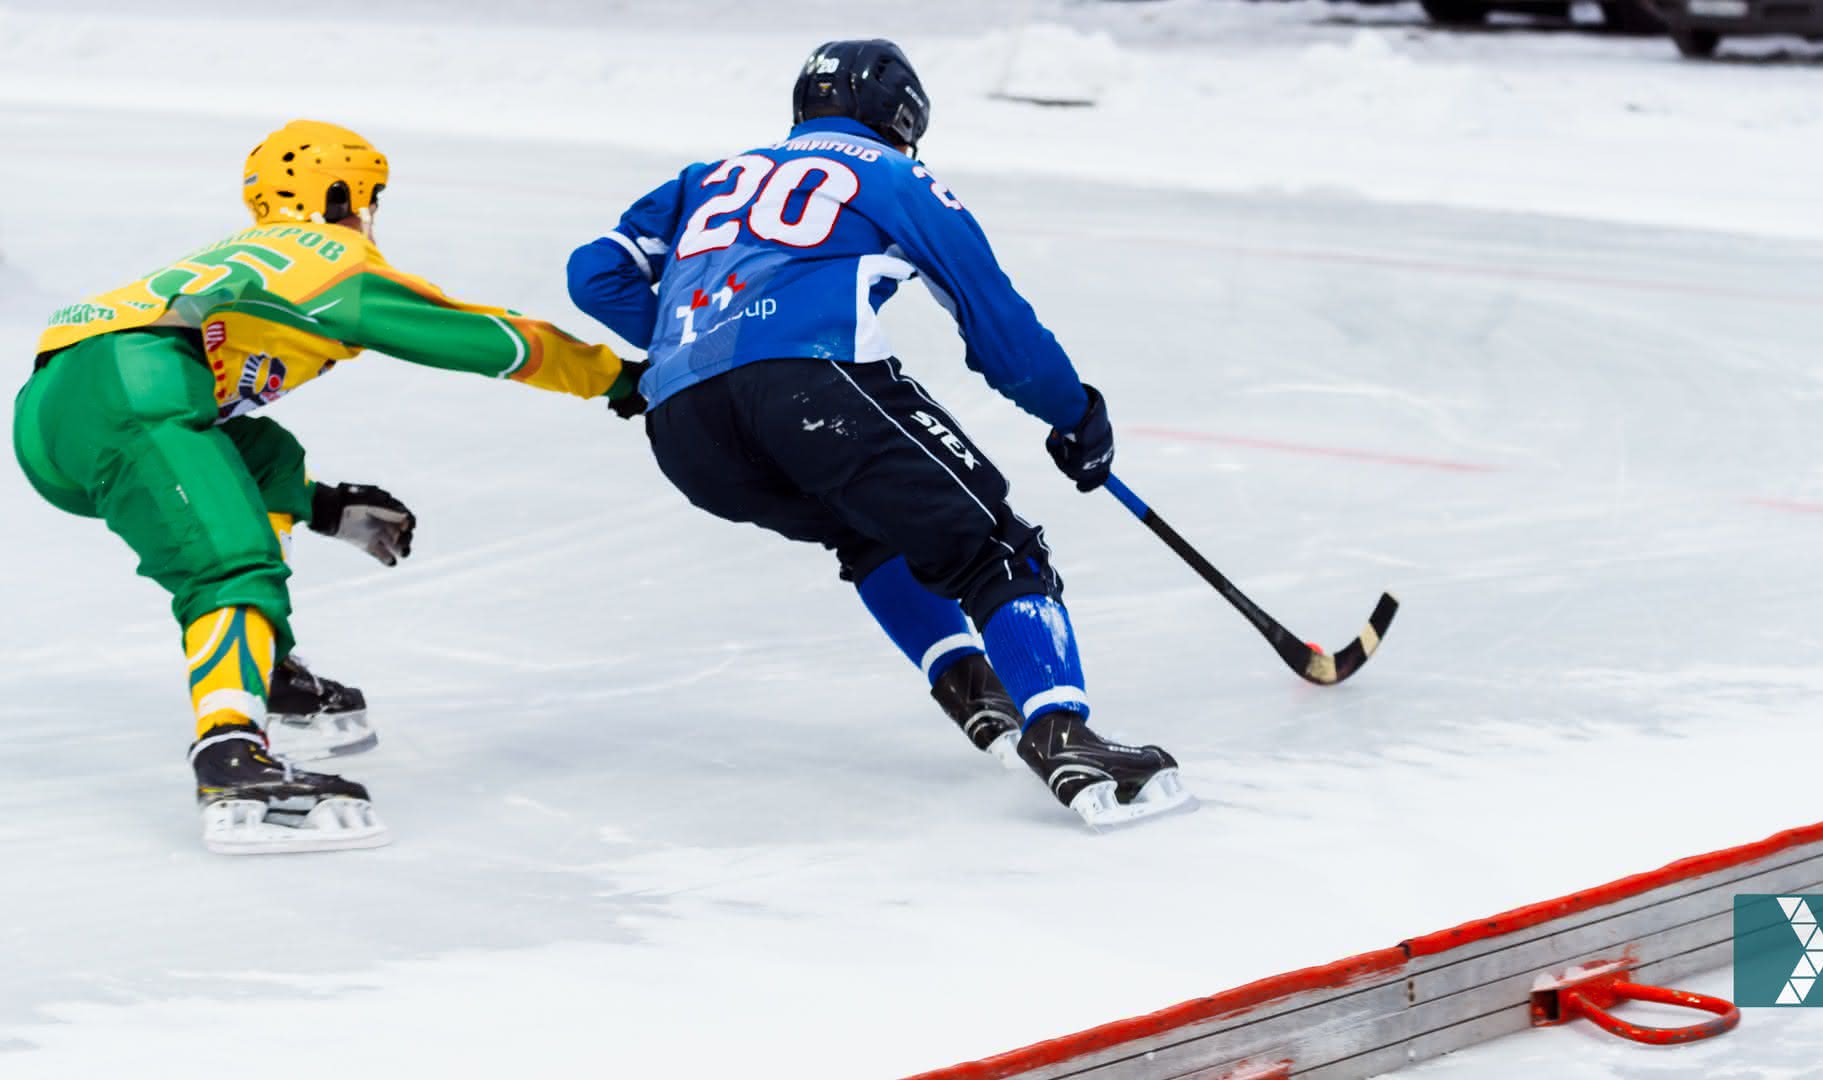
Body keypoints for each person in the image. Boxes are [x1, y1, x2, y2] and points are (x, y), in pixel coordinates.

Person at [569, 40, 1188, 826]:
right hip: (810, 387)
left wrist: (689, 343)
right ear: (903, 120)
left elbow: (594, 273)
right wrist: (1076, 416)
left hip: (685, 430)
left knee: (872, 535)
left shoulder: (710, 176)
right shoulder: (896, 176)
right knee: (997, 549)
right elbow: (1000, 332)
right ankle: (1065, 739)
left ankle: (977, 696)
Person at [16, 120, 639, 854]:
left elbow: (225, 425)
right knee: (230, 562)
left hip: (57, 410)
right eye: (369, 198)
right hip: (133, 383)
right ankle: (231, 757)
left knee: (259, 454)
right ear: (346, 194)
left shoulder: (240, 254)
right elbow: (484, 337)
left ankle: (264, 667)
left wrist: (322, 505)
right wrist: (618, 379)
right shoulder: (328, 257)